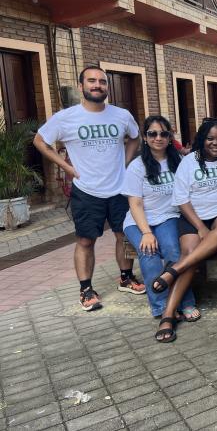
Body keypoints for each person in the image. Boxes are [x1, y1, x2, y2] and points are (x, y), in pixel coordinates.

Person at [33, 65, 142, 311]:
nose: (97, 85)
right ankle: (86, 289)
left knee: (124, 235)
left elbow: (135, 137)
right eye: (91, 81)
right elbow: (40, 141)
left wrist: (125, 162)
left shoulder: (121, 115)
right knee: (85, 240)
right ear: (81, 86)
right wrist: (66, 167)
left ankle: (126, 278)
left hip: (119, 188)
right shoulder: (66, 117)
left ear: (107, 87)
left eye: (102, 82)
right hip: (86, 189)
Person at [150, 118, 217, 342]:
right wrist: (201, 227)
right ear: (202, 140)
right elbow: (181, 199)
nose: (216, 143)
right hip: (195, 216)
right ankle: (168, 315)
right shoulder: (189, 161)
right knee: (190, 253)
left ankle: (173, 271)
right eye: (211, 138)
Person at [122, 116, 198, 330]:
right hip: (139, 221)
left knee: (174, 252)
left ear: (170, 136)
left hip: (168, 216)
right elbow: (135, 204)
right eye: (152, 134)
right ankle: (162, 307)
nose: (158, 138)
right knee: (149, 253)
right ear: (145, 137)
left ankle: (186, 301)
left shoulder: (179, 162)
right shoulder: (137, 166)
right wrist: (146, 232)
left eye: (163, 133)